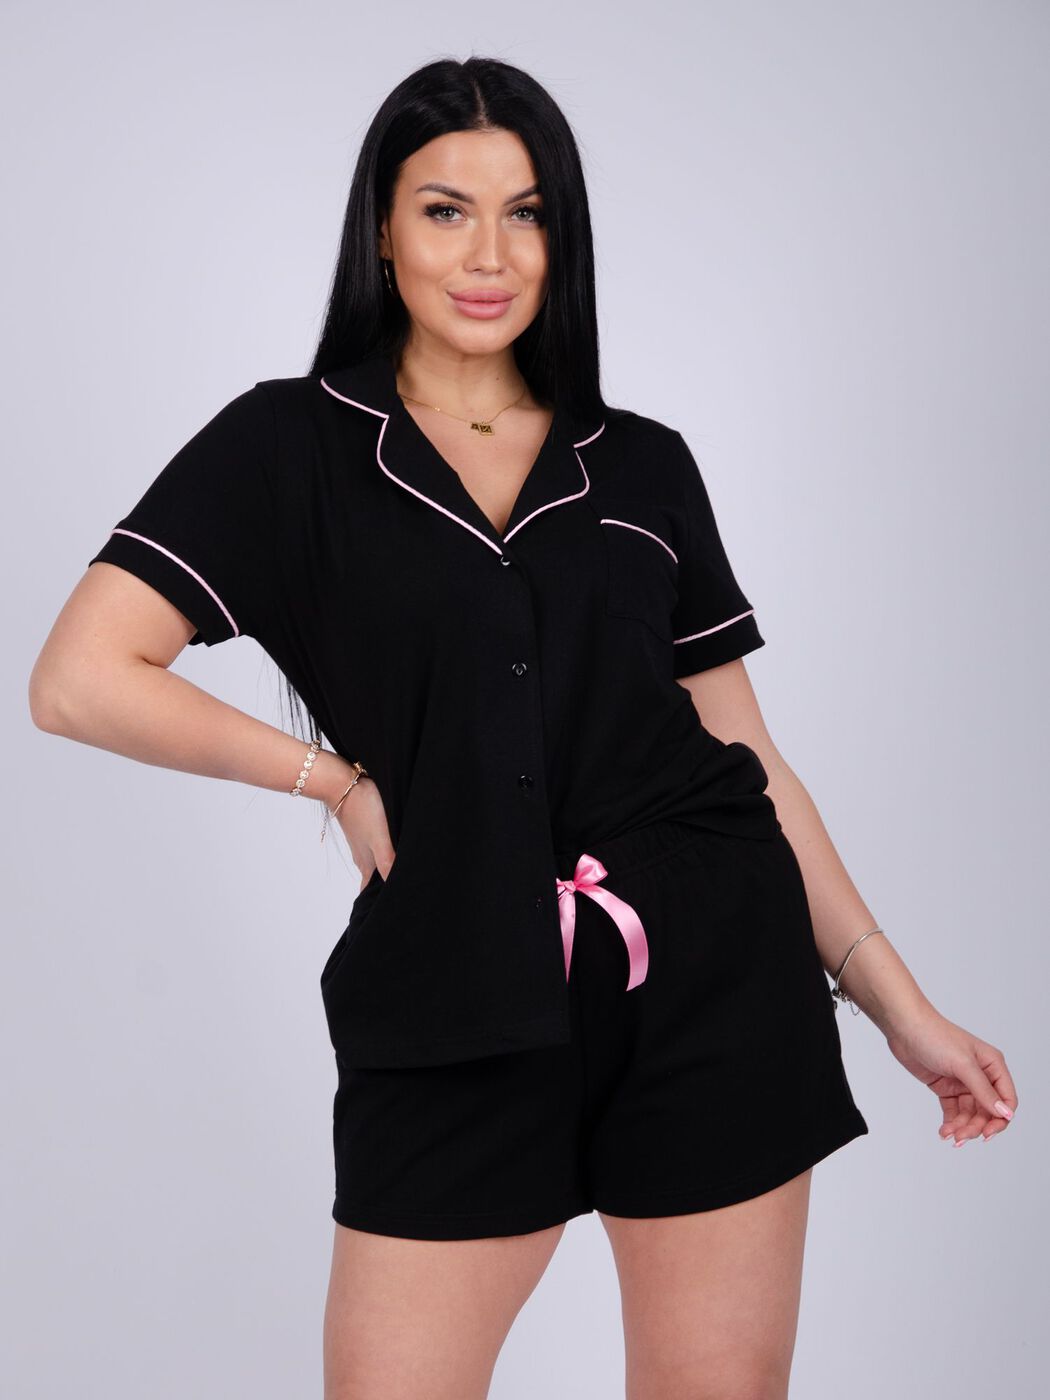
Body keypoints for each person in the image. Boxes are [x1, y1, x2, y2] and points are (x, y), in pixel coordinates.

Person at [29, 54, 1018, 1400]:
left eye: (527, 213)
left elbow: (751, 764)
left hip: (712, 978)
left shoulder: (641, 463)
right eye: (446, 210)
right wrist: (331, 780)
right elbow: (80, 677)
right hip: (451, 988)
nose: (489, 254)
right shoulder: (287, 447)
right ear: (383, 232)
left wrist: (899, 1007)